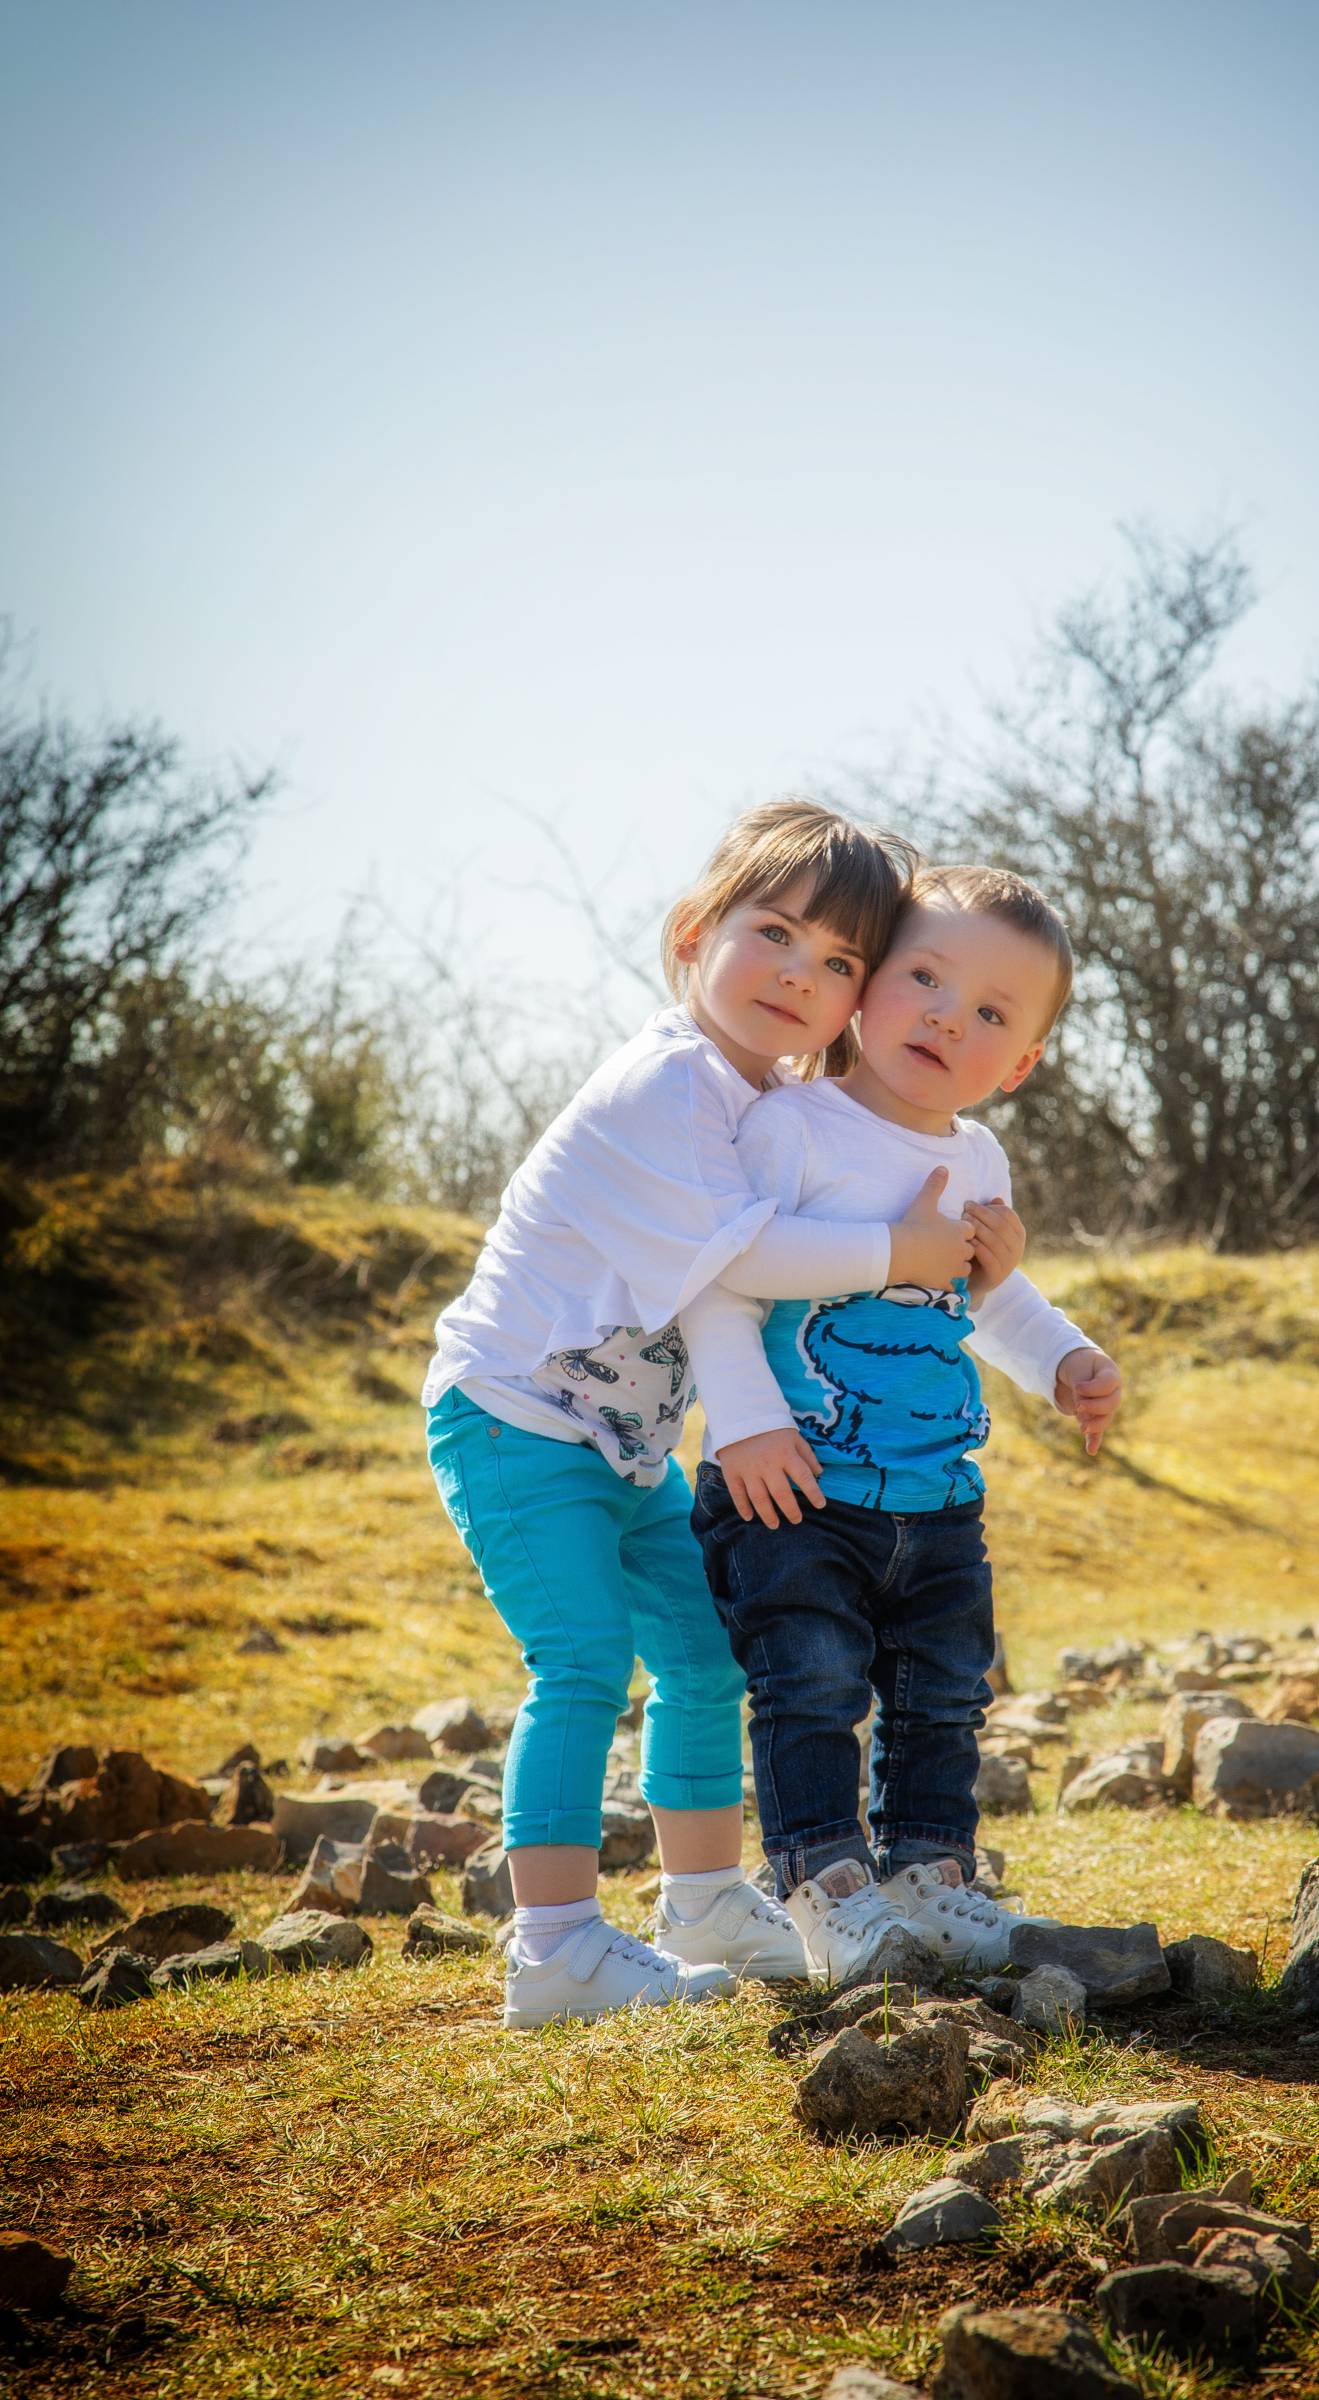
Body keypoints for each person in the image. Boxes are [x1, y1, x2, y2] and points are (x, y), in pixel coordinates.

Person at [422, 802, 977, 2026]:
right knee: (579, 1660)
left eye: (839, 963)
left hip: (619, 1442)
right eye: (774, 932)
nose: (801, 973)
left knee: (704, 1649)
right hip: (513, 1414)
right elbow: (757, 1255)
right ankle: (555, 1945)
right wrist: (905, 1245)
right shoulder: (664, 1087)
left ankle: (707, 1898)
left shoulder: (757, 1099)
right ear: (692, 933)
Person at [683, 864, 1124, 1983]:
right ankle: (827, 1890)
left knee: (942, 1692)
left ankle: (930, 1876)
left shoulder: (977, 1158)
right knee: (813, 1683)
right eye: (923, 976)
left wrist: (1062, 1357)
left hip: (934, 1497)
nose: (943, 1014)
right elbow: (719, 1281)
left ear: (1018, 1065)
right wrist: (739, 1429)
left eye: (988, 1012)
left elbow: (985, 1299)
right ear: (868, 985)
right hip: (793, 1486)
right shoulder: (795, 1130)